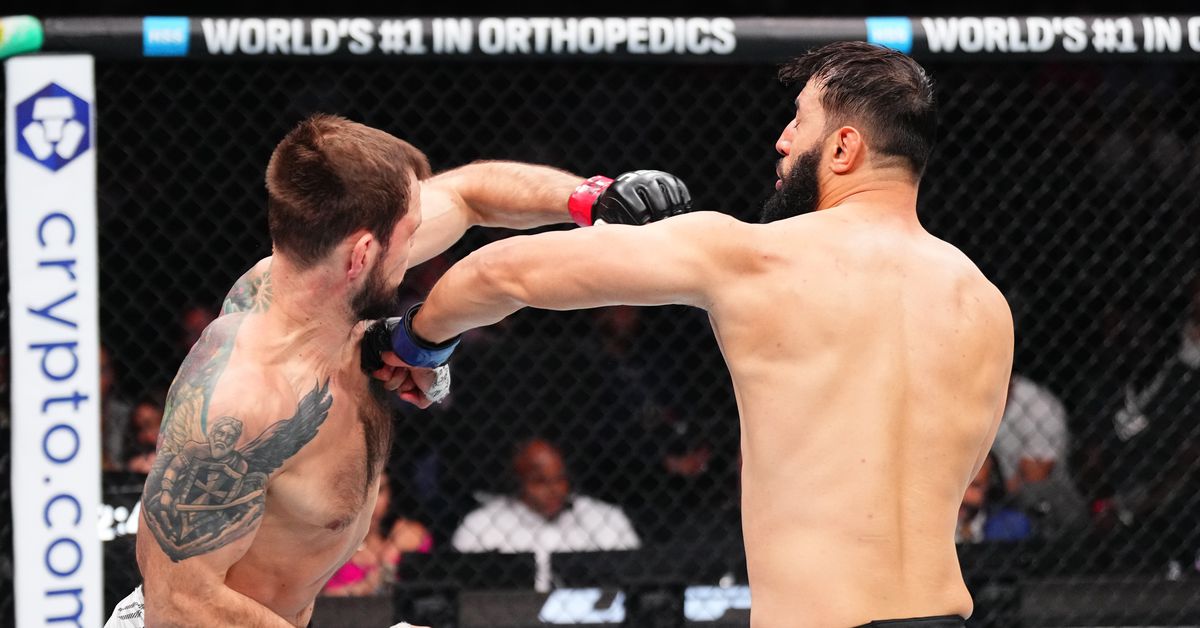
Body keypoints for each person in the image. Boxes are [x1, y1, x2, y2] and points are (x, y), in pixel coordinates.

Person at [393, 42, 1014, 626]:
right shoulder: (984, 303)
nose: (782, 139)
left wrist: (413, 343)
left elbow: (501, 274)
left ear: (844, 147)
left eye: (800, 120)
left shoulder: (754, 256)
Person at [107, 114, 690, 627]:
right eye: (410, 236)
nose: (422, 250)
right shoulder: (240, 400)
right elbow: (177, 604)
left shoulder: (324, 284)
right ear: (362, 254)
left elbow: (468, 194)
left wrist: (593, 198)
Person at [452, 438, 639, 589]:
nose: (554, 489)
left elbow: (636, 577)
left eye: (560, 479)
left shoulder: (606, 518)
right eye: (540, 481)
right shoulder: (480, 525)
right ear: (517, 481)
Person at [321, 476, 432, 597]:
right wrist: (366, 585)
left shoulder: (405, 532)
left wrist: (391, 553)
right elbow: (322, 598)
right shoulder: (330, 544)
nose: (370, 500)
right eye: (361, 491)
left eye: (379, 490)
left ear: (391, 495)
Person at [956, 453, 1033, 544]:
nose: (963, 495)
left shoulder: (1012, 527)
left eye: (974, 485)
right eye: (957, 485)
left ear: (990, 486)